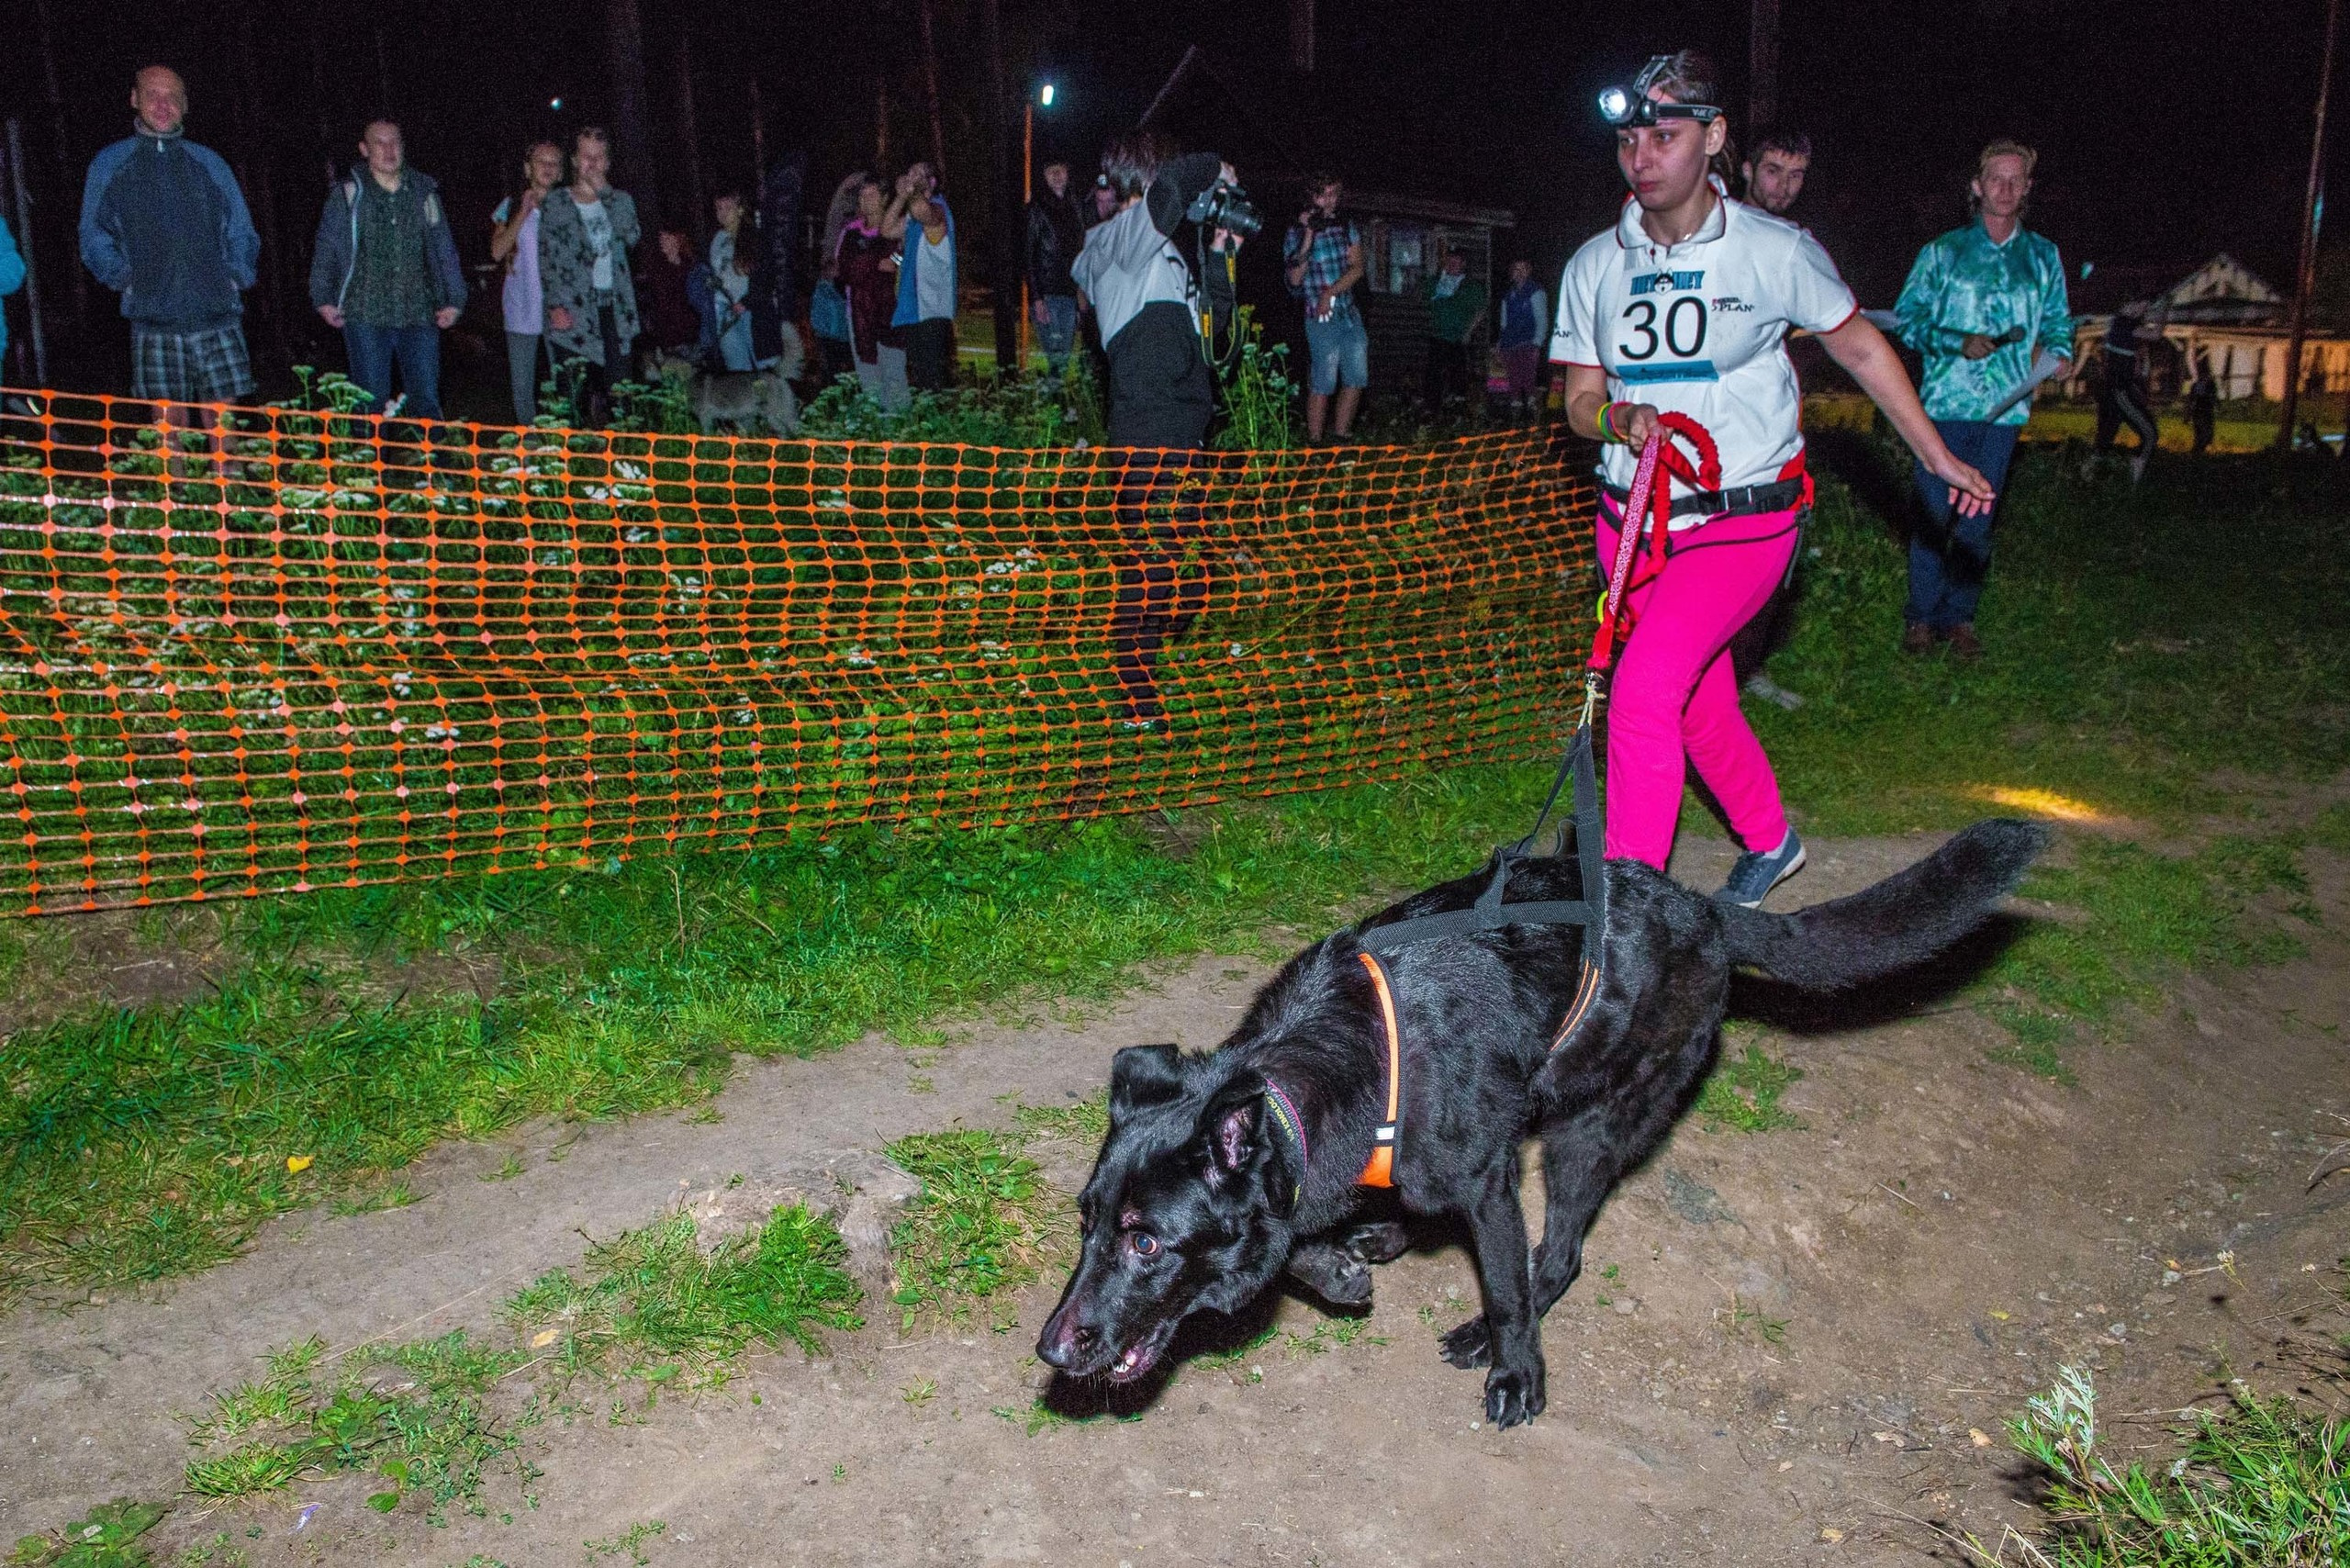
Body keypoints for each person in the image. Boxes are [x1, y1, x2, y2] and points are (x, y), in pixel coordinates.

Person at [1553, 50, 1992, 907]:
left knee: (1643, 693)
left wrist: (1934, 454)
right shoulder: (1592, 265)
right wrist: (1618, 419)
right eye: (1629, 139)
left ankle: (1628, 918)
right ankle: (1771, 840)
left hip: (1741, 521)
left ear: (1714, 139)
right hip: (1632, 523)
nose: (1642, 156)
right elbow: (1577, 399)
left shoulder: (1775, 249)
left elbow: (1859, 344)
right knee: (1697, 706)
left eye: (1666, 135)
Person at [1070, 134, 1237, 727]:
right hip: (1145, 429)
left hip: (1187, 432)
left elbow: (1217, 342)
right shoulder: (1115, 239)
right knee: (1152, 568)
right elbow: (1171, 191)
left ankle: (1149, 652)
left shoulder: (1159, 252)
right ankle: (1137, 698)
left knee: (1197, 570)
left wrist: (1220, 252)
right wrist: (1214, 163)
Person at [1894, 138, 2075, 657]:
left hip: (2005, 412)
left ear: (2027, 190)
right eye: (1996, 177)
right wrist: (1954, 340)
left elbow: (2060, 322)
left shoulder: (2044, 257)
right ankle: (1920, 618)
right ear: (1976, 186)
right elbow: (1906, 319)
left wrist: (2057, 353)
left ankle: (1960, 618)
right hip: (1943, 409)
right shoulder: (1942, 252)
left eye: (2016, 180)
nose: (2005, 188)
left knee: (1979, 520)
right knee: (1933, 515)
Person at [79, 65, 261, 410]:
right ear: (135, 99)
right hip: (153, 320)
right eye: (153, 95)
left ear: (185, 104)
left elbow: (242, 229)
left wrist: (237, 274)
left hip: (217, 314)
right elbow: (92, 236)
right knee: (168, 434)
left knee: (223, 429)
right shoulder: (111, 163)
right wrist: (125, 278)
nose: (163, 105)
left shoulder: (209, 162)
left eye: (172, 96)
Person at [309, 120, 467, 420]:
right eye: (379, 143)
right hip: (364, 314)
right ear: (365, 150)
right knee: (370, 403)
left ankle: (434, 466)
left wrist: (454, 299)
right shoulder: (347, 196)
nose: (388, 150)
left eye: (395, 142)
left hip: (419, 313)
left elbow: (444, 249)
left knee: (427, 402)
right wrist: (322, 296)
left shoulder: (424, 193)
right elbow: (327, 248)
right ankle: (371, 466)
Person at [538, 127, 642, 426]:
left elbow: (632, 235)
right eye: (585, 157)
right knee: (574, 391)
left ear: (608, 163)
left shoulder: (620, 200)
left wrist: (605, 193)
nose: (592, 164)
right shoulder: (556, 203)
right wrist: (554, 306)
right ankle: (576, 458)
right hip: (573, 310)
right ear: (574, 160)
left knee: (621, 389)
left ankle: (624, 453)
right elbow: (546, 258)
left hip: (614, 308)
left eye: (598, 158)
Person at [1283, 175, 1367, 442]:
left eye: (1333, 194)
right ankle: (1315, 443)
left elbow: (1358, 268)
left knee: (1356, 377)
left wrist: (1330, 292)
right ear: (1312, 198)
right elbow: (1295, 279)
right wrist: (1309, 234)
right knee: (1324, 381)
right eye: (1323, 195)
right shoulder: (1295, 233)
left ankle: (1341, 438)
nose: (1329, 200)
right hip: (1319, 319)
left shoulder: (1346, 227)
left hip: (1348, 314)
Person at [489, 140, 564, 423]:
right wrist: (524, 211)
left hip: (560, 310)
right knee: (523, 386)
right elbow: (497, 252)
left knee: (565, 381)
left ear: (560, 172)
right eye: (541, 162)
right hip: (521, 308)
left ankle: (567, 446)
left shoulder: (569, 206)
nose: (547, 168)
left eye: (554, 163)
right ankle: (531, 451)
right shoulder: (509, 207)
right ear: (527, 169)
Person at [834, 174, 909, 410]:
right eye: (862, 196)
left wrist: (895, 260)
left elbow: (907, 253)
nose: (866, 201)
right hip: (858, 314)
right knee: (868, 375)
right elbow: (844, 269)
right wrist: (873, 263)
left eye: (872, 195)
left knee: (894, 373)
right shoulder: (851, 233)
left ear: (885, 198)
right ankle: (876, 429)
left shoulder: (897, 228)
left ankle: (899, 433)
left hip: (891, 313)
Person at [882, 162, 956, 393]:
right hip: (913, 306)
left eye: (918, 174)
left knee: (932, 378)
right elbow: (887, 230)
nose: (910, 175)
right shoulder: (913, 217)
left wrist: (910, 192)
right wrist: (899, 197)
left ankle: (936, 423)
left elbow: (922, 212)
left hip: (932, 308)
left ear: (932, 182)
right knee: (919, 374)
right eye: (909, 171)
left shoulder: (938, 210)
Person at [1025, 160, 1088, 375]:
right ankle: (1053, 402)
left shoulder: (1076, 206)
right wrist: (1037, 297)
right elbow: (1028, 254)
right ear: (1044, 175)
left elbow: (1082, 250)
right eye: (1051, 171)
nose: (1057, 175)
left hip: (1070, 293)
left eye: (1060, 170)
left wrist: (1080, 290)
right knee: (1055, 355)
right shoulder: (1037, 207)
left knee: (1065, 354)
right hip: (1047, 292)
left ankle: (1056, 401)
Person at [2094, 303, 2159, 480]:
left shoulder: (2117, 324)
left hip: (2113, 391)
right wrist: (2165, 311)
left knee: (2104, 438)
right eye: (2140, 306)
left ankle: (2090, 477)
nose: (2142, 311)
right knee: (2150, 434)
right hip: (2119, 392)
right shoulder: (2124, 324)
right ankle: (2134, 472)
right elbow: (2156, 334)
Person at [1421, 247, 1488, 412]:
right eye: (1449, 261)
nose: (1452, 265)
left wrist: (1468, 332)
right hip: (1437, 336)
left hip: (1459, 338)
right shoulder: (1436, 282)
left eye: (1456, 262)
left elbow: (1481, 310)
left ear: (1463, 264)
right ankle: (1432, 408)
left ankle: (1458, 408)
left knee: (1458, 373)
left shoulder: (1471, 286)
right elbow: (1424, 296)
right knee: (1433, 373)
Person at [1494, 259, 1549, 420]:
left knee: (1528, 375)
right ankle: (1515, 406)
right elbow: (1504, 321)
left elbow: (1542, 319)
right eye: (1515, 269)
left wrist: (1537, 343)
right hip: (1510, 342)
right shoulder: (1508, 294)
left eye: (1523, 269)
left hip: (1528, 341)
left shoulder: (1536, 292)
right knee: (1513, 375)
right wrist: (1501, 342)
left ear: (1528, 271)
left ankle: (1534, 407)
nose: (1518, 272)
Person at [709, 191, 755, 371]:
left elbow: (764, 278)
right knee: (737, 368)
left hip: (750, 310)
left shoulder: (753, 237)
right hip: (725, 313)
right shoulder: (717, 239)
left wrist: (747, 301)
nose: (723, 213)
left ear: (740, 210)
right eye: (719, 208)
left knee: (761, 367)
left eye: (728, 207)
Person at [638, 228, 702, 360]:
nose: (662, 242)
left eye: (666, 238)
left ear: (677, 241)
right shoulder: (657, 270)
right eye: (661, 239)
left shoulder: (691, 267)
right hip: (668, 336)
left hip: (691, 333)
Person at [1740, 129, 1811, 217]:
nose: (1784, 186)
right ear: (1748, 171)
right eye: (1772, 172)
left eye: (1794, 176)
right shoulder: (1722, 222)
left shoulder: (1797, 229)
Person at [2188, 363, 2218, 454]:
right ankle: (2199, 447)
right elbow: (2191, 399)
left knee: (2206, 428)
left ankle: (2203, 446)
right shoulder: (2196, 385)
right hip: (2199, 407)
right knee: (2199, 428)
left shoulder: (2209, 384)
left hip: (2205, 407)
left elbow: (2213, 397)